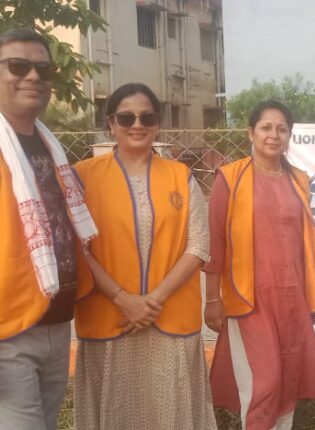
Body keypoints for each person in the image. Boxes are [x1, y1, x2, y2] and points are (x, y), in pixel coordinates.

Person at [73, 83, 217, 429]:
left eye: (147, 117)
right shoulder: (82, 177)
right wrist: (123, 299)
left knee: (171, 414)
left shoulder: (181, 176)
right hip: (109, 319)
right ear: (111, 124)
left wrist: (151, 302)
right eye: (126, 118)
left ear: (157, 124)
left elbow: (199, 245)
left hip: (170, 317)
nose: (137, 125)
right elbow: (79, 249)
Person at [204, 100, 315, 430]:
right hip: (249, 298)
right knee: (264, 383)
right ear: (251, 133)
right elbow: (215, 244)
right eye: (266, 127)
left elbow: (304, 242)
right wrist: (212, 299)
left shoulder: (298, 180)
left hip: (292, 298)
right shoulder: (230, 179)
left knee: (288, 378)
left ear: (289, 135)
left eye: (282, 129)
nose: (274, 135)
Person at [0, 28, 97, 429]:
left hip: (57, 320)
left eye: (43, 69)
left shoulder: (49, 145)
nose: (33, 77)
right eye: (18, 66)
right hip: (9, 330)